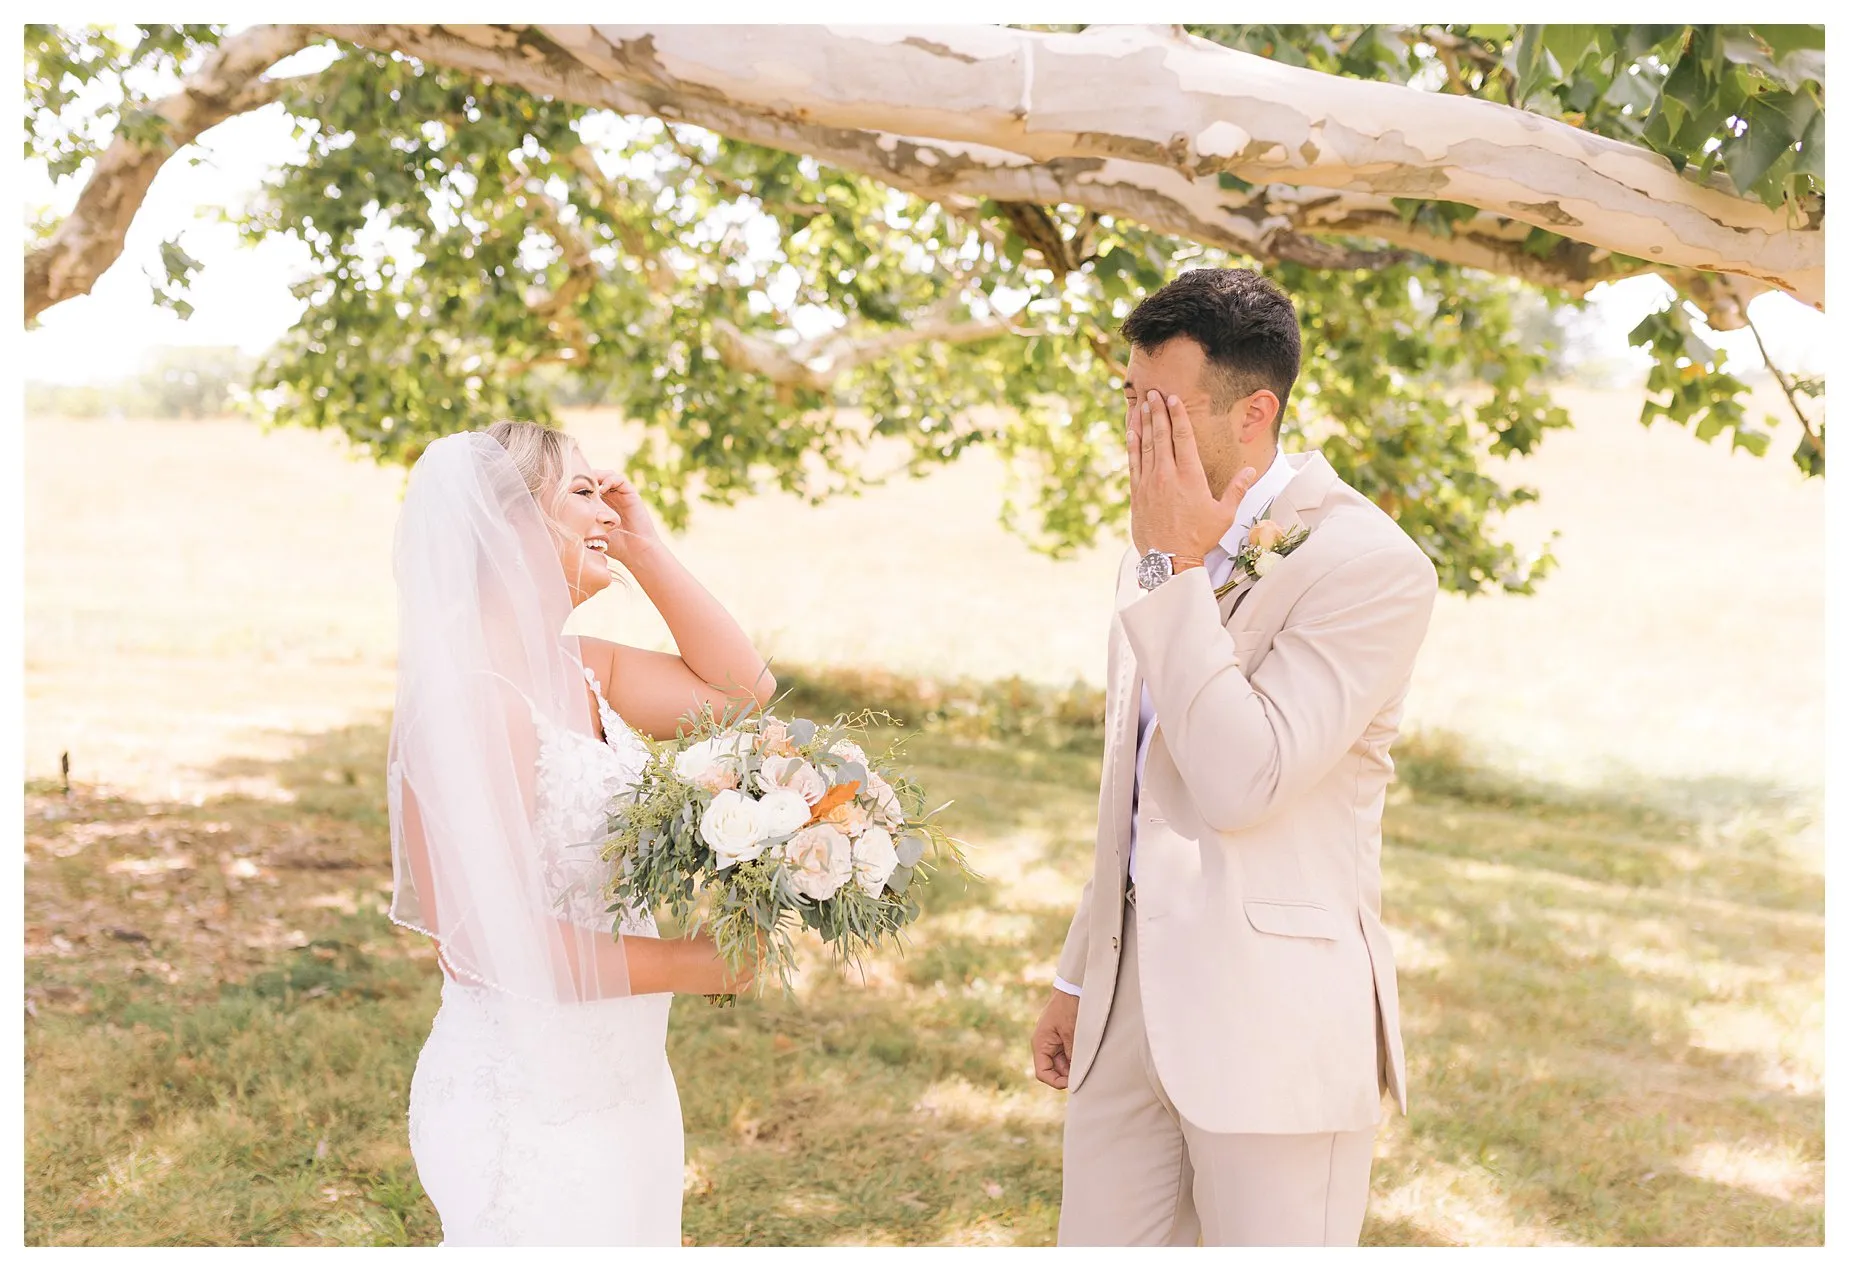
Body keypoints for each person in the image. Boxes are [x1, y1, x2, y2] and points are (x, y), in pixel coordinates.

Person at [1030, 268, 1439, 1246]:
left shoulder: (1371, 565)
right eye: (1129, 399)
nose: (1135, 429)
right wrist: (1081, 976)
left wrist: (1169, 568)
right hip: (1124, 1022)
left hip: (1271, 1029)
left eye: (1160, 406)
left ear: (1254, 411)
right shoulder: (1153, 554)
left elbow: (1239, 782)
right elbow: (1135, 787)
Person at [389, 420, 774, 1244]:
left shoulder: (584, 669)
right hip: (526, 1101)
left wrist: (645, 550)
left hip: (624, 1075)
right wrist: (695, 964)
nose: (608, 507)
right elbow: (484, 946)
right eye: (582, 491)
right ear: (511, 522)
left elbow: (744, 688)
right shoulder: (468, 698)